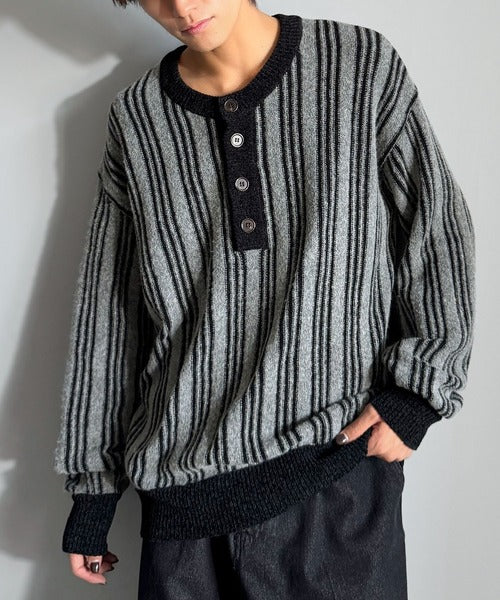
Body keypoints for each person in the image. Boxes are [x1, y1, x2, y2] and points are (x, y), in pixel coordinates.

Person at [53, 0, 476, 598]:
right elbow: (110, 312)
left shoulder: (358, 65)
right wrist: (93, 488)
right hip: (183, 505)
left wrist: (417, 395)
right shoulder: (138, 120)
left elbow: (437, 231)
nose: (181, 5)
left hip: (335, 480)